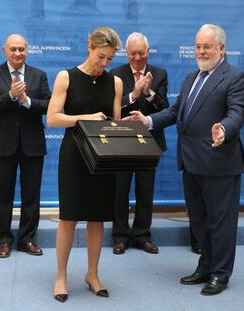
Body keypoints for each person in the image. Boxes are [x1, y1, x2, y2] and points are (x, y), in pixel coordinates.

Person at [123, 24, 244, 296]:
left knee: (221, 221)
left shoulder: (235, 77)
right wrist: (147, 120)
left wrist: (224, 129)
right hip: (191, 162)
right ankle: (205, 266)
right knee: (200, 220)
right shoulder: (192, 77)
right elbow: (176, 112)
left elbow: (238, 113)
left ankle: (220, 273)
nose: (201, 51)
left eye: (207, 46)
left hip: (219, 162)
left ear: (222, 49)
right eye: (198, 46)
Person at [46, 26, 123, 303]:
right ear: (89, 48)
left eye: (110, 59)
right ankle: (61, 276)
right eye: (101, 56)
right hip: (74, 154)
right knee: (69, 217)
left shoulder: (115, 82)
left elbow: (113, 122)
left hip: (103, 157)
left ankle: (92, 274)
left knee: (97, 217)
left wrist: (125, 127)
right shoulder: (66, 76)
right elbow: (52, 118)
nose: (104, 64)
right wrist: (84, 118)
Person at [0, 34, 51, 258]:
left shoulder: (39, 75)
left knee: (32, 194)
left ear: (27, 51)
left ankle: (27, 239)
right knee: (2, 194)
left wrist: (27, 101)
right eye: (13, 49)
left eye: (22, 49)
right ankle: (3, 240)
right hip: (2, 144)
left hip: (33, 143)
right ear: (5, 51)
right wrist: (11, 96)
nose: (18, 53)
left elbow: (50, 105)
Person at [110, 32, 169, 255]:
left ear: (148, 52)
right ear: (126, 53)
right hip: (123, 141)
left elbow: (166, 109)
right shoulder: (116, 74)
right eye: (132, 53)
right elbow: (112, 108)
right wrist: (133, 95)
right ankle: (120, 237)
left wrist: (149, 92)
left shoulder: (160, 74)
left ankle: (142, 236)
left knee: (146, 191)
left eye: (141, 53)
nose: (137, 58)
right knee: (120, 191)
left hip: (150, 142)